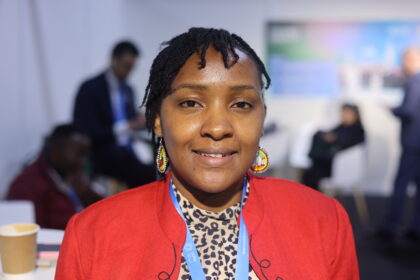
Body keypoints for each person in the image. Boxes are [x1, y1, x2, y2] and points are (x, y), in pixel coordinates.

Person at [56, 28, 359, 279]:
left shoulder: (323, 221)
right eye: (191, 103)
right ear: (158, 120)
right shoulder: (92, 235)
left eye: (241, 104)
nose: (217, 128)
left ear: (262, 119)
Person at [73, 40, 156, 188]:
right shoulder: (90, 88)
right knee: (146, 174)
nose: (128, 71)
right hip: (101, 151)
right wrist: (128, 125)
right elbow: (87, 130)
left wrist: (146, 121)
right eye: (126, 66)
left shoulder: (128, 90)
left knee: (160, 164)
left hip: (127, 149)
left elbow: (131, 120)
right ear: (113, 59)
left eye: (132, 67)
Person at [6, 124, 102, 229]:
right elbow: (36, 235)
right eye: (79, 154)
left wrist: (87, 195)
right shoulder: (27, 186)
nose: (83, 162)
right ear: (56, 150)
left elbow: (105, 214)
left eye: (85, 155)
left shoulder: (74, 174)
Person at [378, 47, 420, 241]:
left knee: (400, 185)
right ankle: (415, 228)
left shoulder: (414, 82)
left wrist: (394, 110)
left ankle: (390, 227)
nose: (403, 64)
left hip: (413, 144)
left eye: (405, 59)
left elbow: (409, 111)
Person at [302, 103, 365, 190]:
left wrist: (335, 139)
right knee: (309, 173)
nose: (344, 115)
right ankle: (310, 199)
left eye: (347, 113)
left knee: (314, 173)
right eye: (343, 113)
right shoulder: (341, 127)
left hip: (343, 166)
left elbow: (347, 144)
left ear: (355, 114)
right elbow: (330, 134)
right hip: (331, 161)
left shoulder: (357, 130)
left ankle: (315, 200)